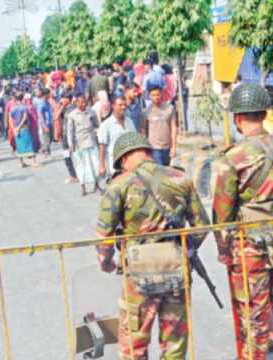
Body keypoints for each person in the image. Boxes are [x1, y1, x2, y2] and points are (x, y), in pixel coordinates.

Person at [96, 132, 209, 360]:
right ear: (147, 152)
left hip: (139, 274)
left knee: (134, 341)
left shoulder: (119, 185)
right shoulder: (180, 178)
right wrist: (182, 248)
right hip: (176, 268)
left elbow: (104, 236)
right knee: (174, 341)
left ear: (124, 159)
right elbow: (202, 226)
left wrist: (107, 263)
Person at [212, 84, 273, 359]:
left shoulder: (233, 158)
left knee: (255, 316)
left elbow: (222, 213)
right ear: (264, 113)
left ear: (237, 118)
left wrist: (223, 250)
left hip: (251, 246)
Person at [66, 95, 101, 196]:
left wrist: (96, 132)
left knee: (96, 164)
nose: (83, 104)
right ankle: (83, 187)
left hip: (91, 141)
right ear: (76, 103)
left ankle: (96, 185)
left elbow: (97, 125)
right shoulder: (72, 115)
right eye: (80, 102)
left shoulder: (91, 112)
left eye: (84, 102)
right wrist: (70, 144)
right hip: (79, 144)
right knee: (81, 166)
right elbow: (70, 131)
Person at [98, 96, 137, 177]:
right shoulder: (106, 124)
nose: (123, 107)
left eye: (125, 105)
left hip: (130, 161)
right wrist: (102, 165)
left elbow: (135, 140)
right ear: (113, 106)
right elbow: (102, 146)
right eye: (120, 105)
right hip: (115, 163)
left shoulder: (129, 122)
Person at [141, 86, 178, 166]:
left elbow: (174, 127)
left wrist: (174, 146)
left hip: (167, 146)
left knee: (166, 170)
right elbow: (143, 129)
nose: (156, 97)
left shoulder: (170, 109)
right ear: (149, 96)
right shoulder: (146, 111)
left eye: (157, 94)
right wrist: (145, 147)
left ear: (161, 94)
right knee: (160, 171)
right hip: (154, 148)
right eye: (153, 95)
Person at [9, 93, 41, 168]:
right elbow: (25, 117)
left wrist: (14, 128)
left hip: (16, 128)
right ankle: (34, 162)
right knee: (29, 144)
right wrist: (19, 126)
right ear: (22, 98)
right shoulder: (24, 107)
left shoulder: (13, 108)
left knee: (19, 145)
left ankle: (21, 163)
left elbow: (10, 118)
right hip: (24, 128)